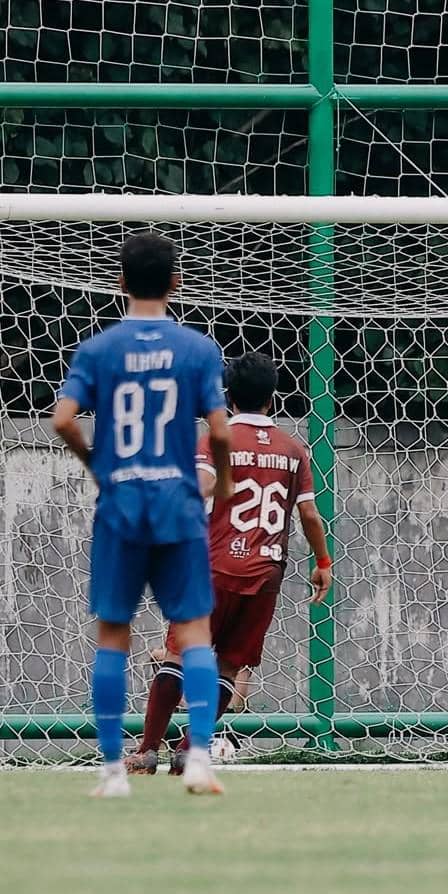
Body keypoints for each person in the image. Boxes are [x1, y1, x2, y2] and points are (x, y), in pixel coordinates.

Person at [52, 231, 232, 797]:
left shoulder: (98, 350)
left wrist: (98, 464)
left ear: (121, 282)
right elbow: (220, 432)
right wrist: (222, 480)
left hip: (122, 502)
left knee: (114, 635)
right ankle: (199, 759)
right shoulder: (199, 350)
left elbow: (61, 420)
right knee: (195, 633)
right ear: (177, 282)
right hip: (177, 502)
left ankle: (112, 772)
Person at [124, 351, 332, 775]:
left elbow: (201, 484)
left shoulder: (214, 441)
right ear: (272, 398)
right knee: (228, 666)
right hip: (266, 574)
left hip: (212, 569)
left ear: (228, 397)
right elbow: (309, 514)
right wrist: (323, 561)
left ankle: (147, 750)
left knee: (176, 658)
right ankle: (189, 748)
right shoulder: (293, 449)